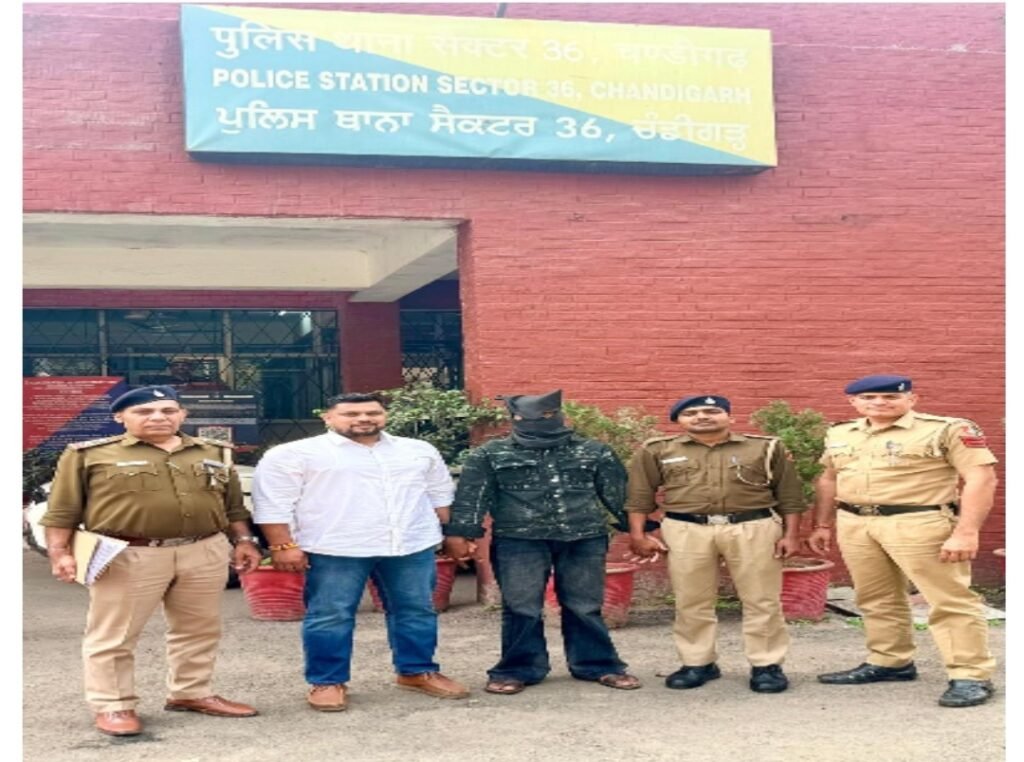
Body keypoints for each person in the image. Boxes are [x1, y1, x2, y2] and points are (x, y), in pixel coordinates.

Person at [39, 385, 262, 737]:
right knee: (115, 633)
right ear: (120, 417)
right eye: (144, 412)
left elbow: (232, 505)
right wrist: (59, 552)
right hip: (129, 553)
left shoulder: (213, 451)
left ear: (182, 415)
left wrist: (244, 540)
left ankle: (191, 692)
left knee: (199, 628)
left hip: (203, 549)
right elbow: (63, 510)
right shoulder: (89, 455)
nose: (158, 417)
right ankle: (113, 704)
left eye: (168, 410)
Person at [251, 392, 469, 712]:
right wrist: (283, 546)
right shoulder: (294, 454)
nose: (364, 419)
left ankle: (417, 671)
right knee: (330, 615)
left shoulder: (418, 450)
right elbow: (273, 503)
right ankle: (327, 681)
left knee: (417, 610)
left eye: (372, 412)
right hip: (335, 547)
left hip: (410, 544)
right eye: (351, 414)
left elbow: (440, 495)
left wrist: (454, 534)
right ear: (327, 417)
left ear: (384, 415)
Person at [807, 374, 998, 707]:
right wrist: (822, 524)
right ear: (854, 402)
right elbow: (828, 478)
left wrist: (966, 531)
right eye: (869, 397)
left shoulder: (946, 429)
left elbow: (981, 478)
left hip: (919, 522)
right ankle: (890, 661)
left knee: (949, 600)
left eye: (890, 397)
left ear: (912, 399)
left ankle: (970, 675)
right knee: (875, 597)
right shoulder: (840, 432)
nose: (879, 403)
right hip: (856, 523)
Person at [443, 390, 643, 695]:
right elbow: (472, 497)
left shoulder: (594, 451)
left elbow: (618, 494)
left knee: (585, 605)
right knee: (521, 607)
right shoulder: (490, 454)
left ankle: (598, 664)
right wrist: (461, 535)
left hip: (583, 537)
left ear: (559, 415)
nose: (536, 421)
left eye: (547, 415)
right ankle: (517, 669)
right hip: (518, 540)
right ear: (513, 418)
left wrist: (639, 533)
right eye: (524, 417)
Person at [626, 394, 806, 693]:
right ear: (678, 421)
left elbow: (789, 495)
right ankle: (698, 662)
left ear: (730, 417)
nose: (701, 417)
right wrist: (637, 534)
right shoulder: (658, 450)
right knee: (691, 599)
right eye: (691, 413)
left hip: (752, 526)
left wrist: (791, 535)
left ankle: (766, 665)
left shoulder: (764, 447)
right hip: (686, 528)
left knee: (761, 599)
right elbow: (639, 495)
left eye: (711, 411)